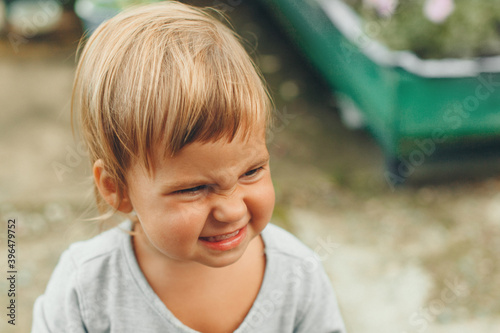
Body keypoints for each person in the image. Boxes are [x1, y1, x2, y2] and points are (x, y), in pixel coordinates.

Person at [31, 2, 346, 332]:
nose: (231, 210)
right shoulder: (85, 288)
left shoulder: (297, 275)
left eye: (251, 172)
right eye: (194, 188)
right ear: (117, 189)